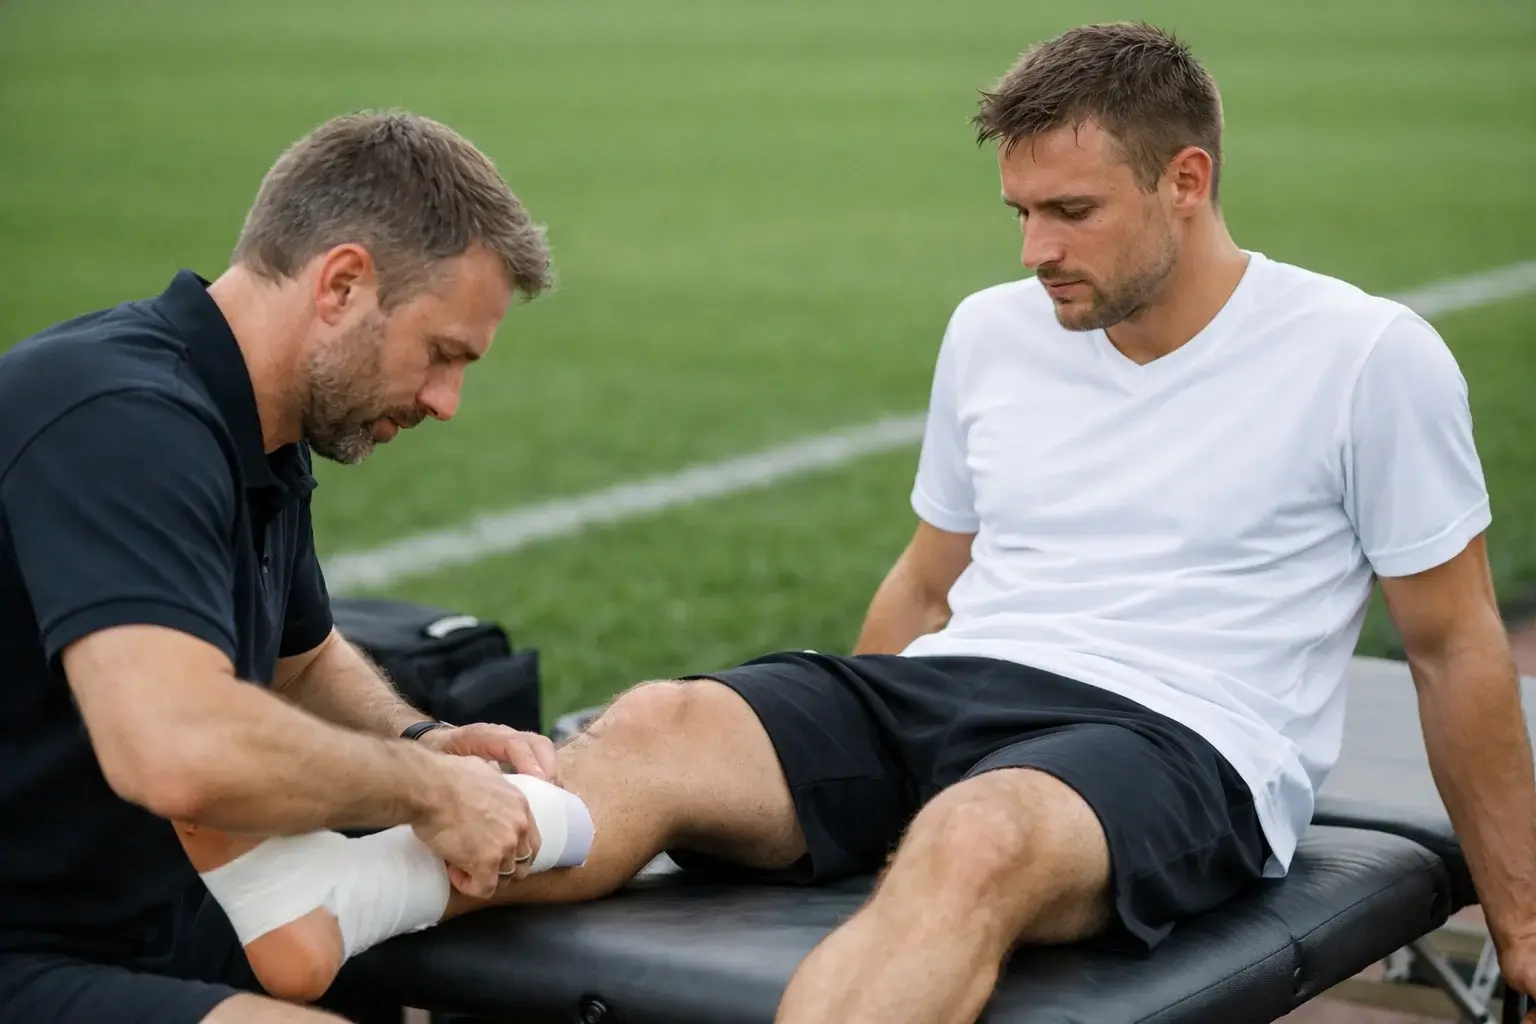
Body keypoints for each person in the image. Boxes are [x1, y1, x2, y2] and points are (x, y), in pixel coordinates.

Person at [141, 22, 1536, 1024]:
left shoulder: (1366, 356)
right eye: (1018, 213)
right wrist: (859, 759)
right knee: (661, 725)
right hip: (961, 692)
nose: (1036, 249)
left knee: (977, 840)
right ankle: (333, 904)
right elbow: (927, 585)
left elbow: (1458, 652)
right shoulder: (995, 331)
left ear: (1188, 181)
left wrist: (1521, 924)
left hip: (1185, 741)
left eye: (1072, 211)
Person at [0, 110, 564, 1024]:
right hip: (27, 944)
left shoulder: (260, 429)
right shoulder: (116, 418)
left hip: (146, 915)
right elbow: (174, 748)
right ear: (342, 284)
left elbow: (303, 662)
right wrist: (425, 791)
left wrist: (429, 743)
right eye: (442, 354)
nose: (446, 401)